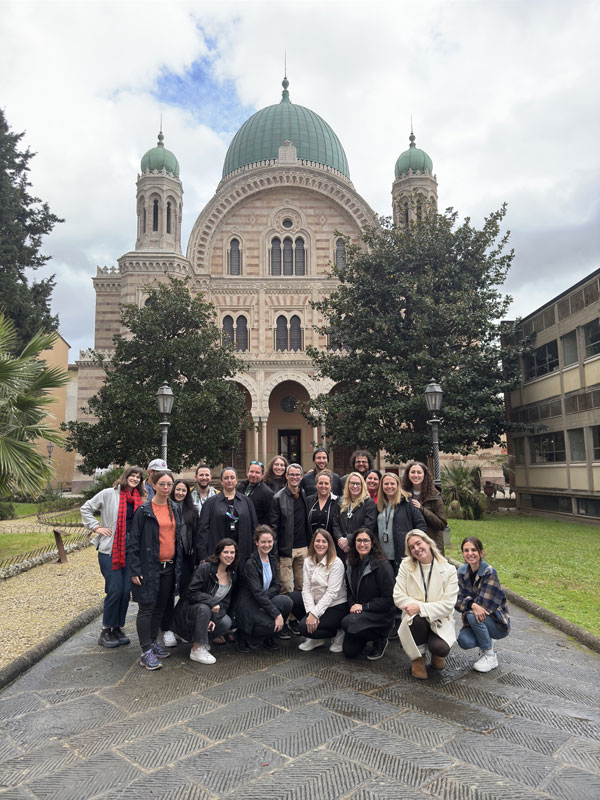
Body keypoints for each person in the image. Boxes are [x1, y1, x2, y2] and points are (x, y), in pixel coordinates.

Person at [80, 466, 145, 648]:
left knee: (125, 592)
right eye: (132, 476)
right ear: (126, 477)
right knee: (115, 590)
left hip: (130, 552)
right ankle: (106, 630)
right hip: (110, 551)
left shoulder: (138, 499)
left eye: (138, 477)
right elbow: (86, 508)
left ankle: (117, 627)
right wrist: (95, 527)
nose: (135, 479)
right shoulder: (110, 494)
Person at [128, 470, 183, 670]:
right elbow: (133, 543)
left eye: (169, 484)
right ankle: (145, 651)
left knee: (161, 607)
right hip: (149, 567)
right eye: (162, 484)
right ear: (153, 485)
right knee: (147, 608)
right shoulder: (144, 511)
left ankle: (152, 643)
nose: (166, 488)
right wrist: (134, 570)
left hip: (169, 567)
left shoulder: (174, 508)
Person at [393, 530, 458, 679]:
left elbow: (448, 605)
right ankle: (418, 659)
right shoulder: (406, 565)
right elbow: (398, 596)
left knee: (440, 648)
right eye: (411, 547)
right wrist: (419, 609)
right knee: (416, 620)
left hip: (439, 619)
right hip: (415, 618)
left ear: (428, 543)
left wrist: (421, 607)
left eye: (418, 543)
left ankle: (435, 653)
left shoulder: (449, 570)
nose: (416, 549)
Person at [173, 538, 238, 664]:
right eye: (226, 552)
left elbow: (224, 603)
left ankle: (203, 640)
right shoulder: (205, 568)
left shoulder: (232, 574)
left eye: (232, 552)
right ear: (219, 553)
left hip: (208, 612)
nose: (229, 556)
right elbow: (190, 593)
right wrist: (211, 602)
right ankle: (197, 649)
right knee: (204, 608)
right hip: (189, 611)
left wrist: (212, 618)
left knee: (226, 622)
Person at [234, 525, 293, 652]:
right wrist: (276, 614)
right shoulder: (251, 563)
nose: (267, 545)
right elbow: (256, 593)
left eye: (269, 541)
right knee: (274, 624)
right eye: (263, 542)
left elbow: (276, 585)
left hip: (263, 600)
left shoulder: (272, 560)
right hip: (249, 605)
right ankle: (243, 634)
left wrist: (266, 597)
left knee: (287, 602)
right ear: (256, 542)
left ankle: (268, 638)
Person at [289, 529, 348, 653]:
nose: (320, 544)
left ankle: (339, 631)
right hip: (316, 603)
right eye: (318, 541)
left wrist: (314, 614)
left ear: (329, 544)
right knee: (291, 599)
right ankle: (316, 638)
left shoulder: (336, 563)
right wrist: (311, 612)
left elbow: (332, 593)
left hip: (335, 606)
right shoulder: (308, 561)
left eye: (324, 541)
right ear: (313, 543)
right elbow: (306, 589)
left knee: (303, 627)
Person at [456, 536, 510, 672]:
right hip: (478, 619)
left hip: (497, 623)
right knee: (464, 641)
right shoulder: (461, 572)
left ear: (481, 553)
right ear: (462, 553)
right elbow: (456, 600)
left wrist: (467, 606)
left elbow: (483, 607)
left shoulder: (490, 572)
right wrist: (472, 605)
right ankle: (487, 639)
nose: (470, 553)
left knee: (472, 616)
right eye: (466, 550)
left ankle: (490, 656)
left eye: (474, 550)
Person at [340, 527, 395, 660]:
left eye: (366, 540)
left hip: (379, 615)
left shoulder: (382, 566)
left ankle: (380, 638)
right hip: (359, 613)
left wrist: (364, 607)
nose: (362, 544)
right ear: (354, 543)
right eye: (359, 540)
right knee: (349, 652)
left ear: (372, 543)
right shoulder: (351, 563)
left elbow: (389, 599)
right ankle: (363, 633)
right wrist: (354, 605)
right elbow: (349, 591)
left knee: (348, 623)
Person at [160, 479, 201, 648]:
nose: (180, 493)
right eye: (178, 490)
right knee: (168, 593)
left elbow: (197, 535)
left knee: (185, 593)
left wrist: (197, 559)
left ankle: (181, 627)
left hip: (187, 558)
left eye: (183, 490)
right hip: (170, 557)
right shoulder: (166, 508)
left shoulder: (192, 511)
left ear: (187, 493)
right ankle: (168, 628)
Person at [198, 467, 258, 565]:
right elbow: (203, 531)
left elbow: (254, 528)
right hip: (217, 554)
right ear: (221, 481)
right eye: (226, 478)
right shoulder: (211, 503)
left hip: (243, 554)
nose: (229, 480)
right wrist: (203, 555)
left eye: (232, 477)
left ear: (236, 481)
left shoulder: (246, 501)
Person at [270, 462, 311, 594]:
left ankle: (299, 613)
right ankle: (287, 614)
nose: (294, 477)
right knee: (285, 587)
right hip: (286, 550)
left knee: (302, 585)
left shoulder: (303, 494)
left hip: (303, 547)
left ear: (301, 477)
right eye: (292, 474)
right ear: (287, 476)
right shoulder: (278, 498)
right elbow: (274, 529)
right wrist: (275, 554)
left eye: (297, 475)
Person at [401, 461, 447, 555]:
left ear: (424, 475)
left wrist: (422, 509)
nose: (416, 475)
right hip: (410, 545)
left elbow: (441, 524)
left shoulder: (434, 496)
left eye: (419, 472)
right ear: (408, 474)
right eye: (413, 472)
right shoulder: (402, 495)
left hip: (431, 543)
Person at [336, 472, 377, 560]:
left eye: (358, 484)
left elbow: (367, 526)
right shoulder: (340, 502)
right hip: (342, 549)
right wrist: (341, 540)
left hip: (359, 548)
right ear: (348, 485)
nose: (355, 486)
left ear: (362, 486)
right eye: (352, 483)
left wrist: (348, 540)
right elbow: (335, 523)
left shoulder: (369, 504)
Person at [306, 470, 342, 542]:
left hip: (332, 545)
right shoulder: (308, 500)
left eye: (326, 483)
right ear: (316, 485)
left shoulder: (338, 501)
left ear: (330, 486)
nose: (323, 486)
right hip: (312, 544)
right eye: (320, 483)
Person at [237, 460, 274, 525]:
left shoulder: (267, 493)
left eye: (257, 472)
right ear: (247, 473)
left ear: (262, 475)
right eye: (251, 471)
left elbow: (270, 517)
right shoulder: (240, 487)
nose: (254, 475)